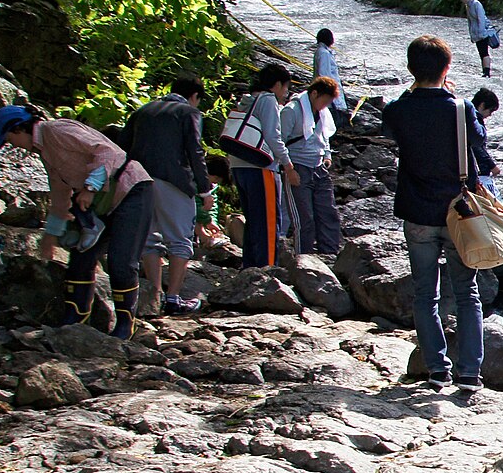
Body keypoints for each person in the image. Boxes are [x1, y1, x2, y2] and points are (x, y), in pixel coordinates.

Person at [0, 103, 154, 338]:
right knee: (80, 257)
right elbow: (60, 193)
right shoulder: (45, 150)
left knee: (121, 261)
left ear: (18, 129)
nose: (11, 145)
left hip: (131, 191)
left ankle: (125, 325)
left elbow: (106, 151)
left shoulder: (57, 130)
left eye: (8, 139)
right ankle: (76, 320)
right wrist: (51, 234)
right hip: (100, 202)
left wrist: (89, 187)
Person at [379, 36, 484, 394]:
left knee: (426, 293)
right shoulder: (461, 108)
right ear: (447, 68)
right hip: (459, 212)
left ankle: (437, 370)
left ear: (411, 69)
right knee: (467, 292)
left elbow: (392, 125)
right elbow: (479, 142)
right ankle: (470, 373)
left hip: (417, 212)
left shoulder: (397, 109)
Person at [126, 75, 215, 315]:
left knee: (149, 238)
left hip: (139, 180)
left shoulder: (143, 111)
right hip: (173, 180)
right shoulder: (189, 114)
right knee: (179, 240)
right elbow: (195, 151)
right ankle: (173, 298)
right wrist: (205, 190)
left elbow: (124, 145)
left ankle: (153, 296)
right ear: (194, 96)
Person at [228, 63, 301, 269]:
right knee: (268, 221)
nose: (286, 92)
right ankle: (267, 270)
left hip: (239, 164)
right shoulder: (268, 100)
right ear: (277, 84)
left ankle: (250, 266)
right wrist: (287, 164)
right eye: (286, 87)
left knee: (252, 219)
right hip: (260, 167)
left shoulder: (247, 99)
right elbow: (273, 135)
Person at [283, 76, 342, 256]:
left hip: (318, 167)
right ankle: (304, 259)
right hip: (298, 167)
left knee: (328, 213)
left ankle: (329, 255)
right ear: (314, 93)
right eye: (324, 101)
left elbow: (323, 136)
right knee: (305, 219)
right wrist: (289, 169)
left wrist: (328, 155)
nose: (325, 106)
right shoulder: (291, 110)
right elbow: (278, 142)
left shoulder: (322, 112)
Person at [468, 88, 503, 309]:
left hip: (471, 173)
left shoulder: (462, 116)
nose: (489, 115)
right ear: (482, 106)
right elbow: (477, 147)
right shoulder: (474, 120)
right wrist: (491, 166)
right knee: (492, 210)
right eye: (490, 111)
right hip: (479, 175)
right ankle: (494, 250)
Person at [312, 29, 351, 128]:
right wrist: (332, 95)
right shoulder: (324, 53)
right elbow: (325, 75)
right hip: (328, 96)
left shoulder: (321, 52)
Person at [460, 0, 495, 78]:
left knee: (484, 52)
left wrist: (481, 32)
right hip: (476, 33)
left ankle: (487, 72)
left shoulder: (476, 4)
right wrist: (472, 34)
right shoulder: (468, 6)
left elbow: (481, 18)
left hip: (483, 32)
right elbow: (470, 21)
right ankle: (484, 71)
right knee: (481, 52)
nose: (462, 0)